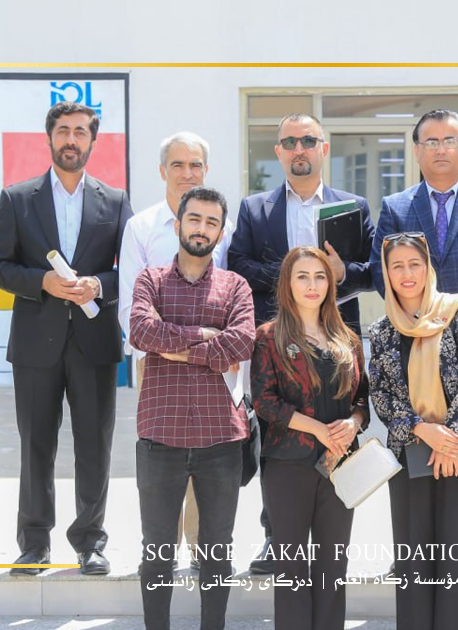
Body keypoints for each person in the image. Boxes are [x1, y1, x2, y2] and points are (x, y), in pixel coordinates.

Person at [0, 101, 132, 576]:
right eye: (63, 130)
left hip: (94, 342)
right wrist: (41, 282)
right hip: (36, 343)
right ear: (49, 138)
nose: (71, 139)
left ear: (93, 140)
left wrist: (99, 286)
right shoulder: (17, 198)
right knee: (36, 446)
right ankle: (34, 544)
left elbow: (130, 270)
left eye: (81, 132)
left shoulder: (115, 201)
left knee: (94, 446)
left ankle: (90, 542)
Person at [230, 112, 374, 573]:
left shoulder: (352, 207)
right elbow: (237, 262)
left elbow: (374, 269)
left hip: (335, 338)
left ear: (323, 148)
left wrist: (341, 274)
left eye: (308, 140)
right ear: (278, 151)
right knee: (278, 436)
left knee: (335, 429)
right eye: (289, 141)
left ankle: (331, 535)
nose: (299, 149)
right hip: (278, 342)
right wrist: (296, 278)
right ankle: (276, 536)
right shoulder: (255, 209)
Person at [130, 186, 255, 630]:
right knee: (157, 550)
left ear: (220, 232)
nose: (202, 229)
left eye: (211, 222)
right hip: (159, 435)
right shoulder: (150, 280)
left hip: (220, 437)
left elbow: (242, 342)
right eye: (195, 219)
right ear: (179, 223)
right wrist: (205, 337)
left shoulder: (236, 286)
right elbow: (141, 332)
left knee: (217, 550)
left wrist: (174, 345)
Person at [368, 233, 458, 630]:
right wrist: (422, 430)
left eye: (415, 264)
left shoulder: (457, 310)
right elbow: (381, 395)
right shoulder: (382, 330)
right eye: (397, 266)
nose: (407, 273)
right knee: (415, 561)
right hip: (411, 455)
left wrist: (450, 442)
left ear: (428, 267)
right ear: (386, 274)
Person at [119, 131, 231, 570]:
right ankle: (161, 554)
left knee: (208, 457)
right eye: (178, 165)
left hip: (216, 367)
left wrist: (206, 346)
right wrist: (193, 341)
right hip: (156, 366)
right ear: (162, 171)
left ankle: (203, 550)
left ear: (207, 170)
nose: (188, 173)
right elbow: (131, 311)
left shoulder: (224, 227)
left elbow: (233, 303)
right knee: (164, 464)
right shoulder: (141, 227)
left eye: (196, 164)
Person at [250, 246, 369, 630]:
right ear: (287, 283)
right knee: (291, 567)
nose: (312, 284)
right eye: (302, 276)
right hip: (288, 466)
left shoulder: (347, 338)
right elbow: (265, 402)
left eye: (320, 276)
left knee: (333, 565)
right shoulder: (268, 337)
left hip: (340, 465)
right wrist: (318, 428)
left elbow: (362, 397)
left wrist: (354, 422)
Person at [370, 109, 458, 407]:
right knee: (415, 430)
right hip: (412, 338)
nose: (440, 149)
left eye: (449, 141)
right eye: (431, 142)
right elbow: (380, 269)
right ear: (416, 151)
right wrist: (421, 315)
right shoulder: (396, 207)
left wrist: (455, 312)